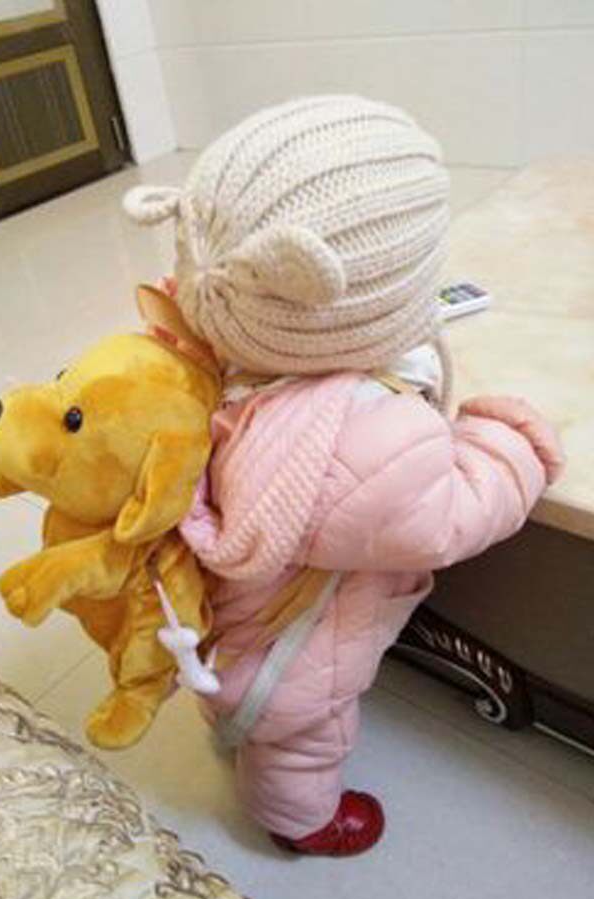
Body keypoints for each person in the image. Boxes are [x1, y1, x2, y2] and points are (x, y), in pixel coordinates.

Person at [124, 96, 564, 857]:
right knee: (301, 738)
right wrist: (509, 440)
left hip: (223, 618)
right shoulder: (362, 437)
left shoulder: (207, 352)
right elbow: (451, 515)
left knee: (246, 700)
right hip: (295, 657)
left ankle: (230, 719)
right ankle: (300, 821)